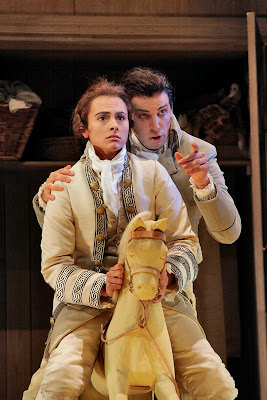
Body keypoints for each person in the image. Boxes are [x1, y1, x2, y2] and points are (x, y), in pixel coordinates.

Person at [24, 78, 238, 400]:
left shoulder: (152, 174)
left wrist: (170, 275)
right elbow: (54, 264)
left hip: (157, 298)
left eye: (121, 117)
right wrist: (99, 285)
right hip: (86, 306)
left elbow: (185, 240)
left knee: (214, 379)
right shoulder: (65, 183)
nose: (114, 125)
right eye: (102, 118)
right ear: (84, 129)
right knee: (59, 380)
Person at [35, 67, 241, 310]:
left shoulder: (199, 153)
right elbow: (63, 234)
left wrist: (203, 184)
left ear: (171, 109)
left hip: (168, 285)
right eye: (143, 116)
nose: (156, 126)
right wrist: (45, 199)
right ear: (130, 116)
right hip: (102, 288)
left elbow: (228, 234)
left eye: (163, 112)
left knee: (196, 348)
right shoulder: (109, 147)